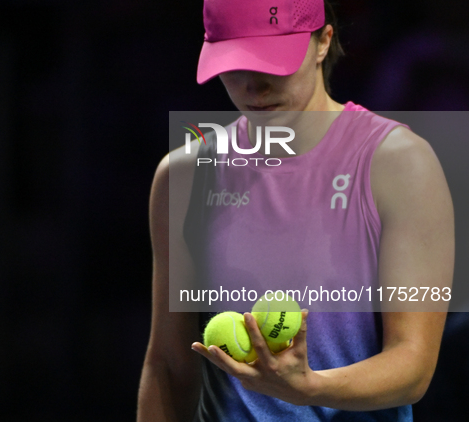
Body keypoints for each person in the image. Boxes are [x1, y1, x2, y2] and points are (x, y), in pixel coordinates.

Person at [137, 0, 454, 420]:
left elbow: (413, 367)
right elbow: (169, 366)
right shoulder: (184, 175)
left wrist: (309, 388)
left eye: (272, 61)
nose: (254, 85)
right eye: (235, 63)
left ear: (323, 41)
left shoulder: (401, 163)